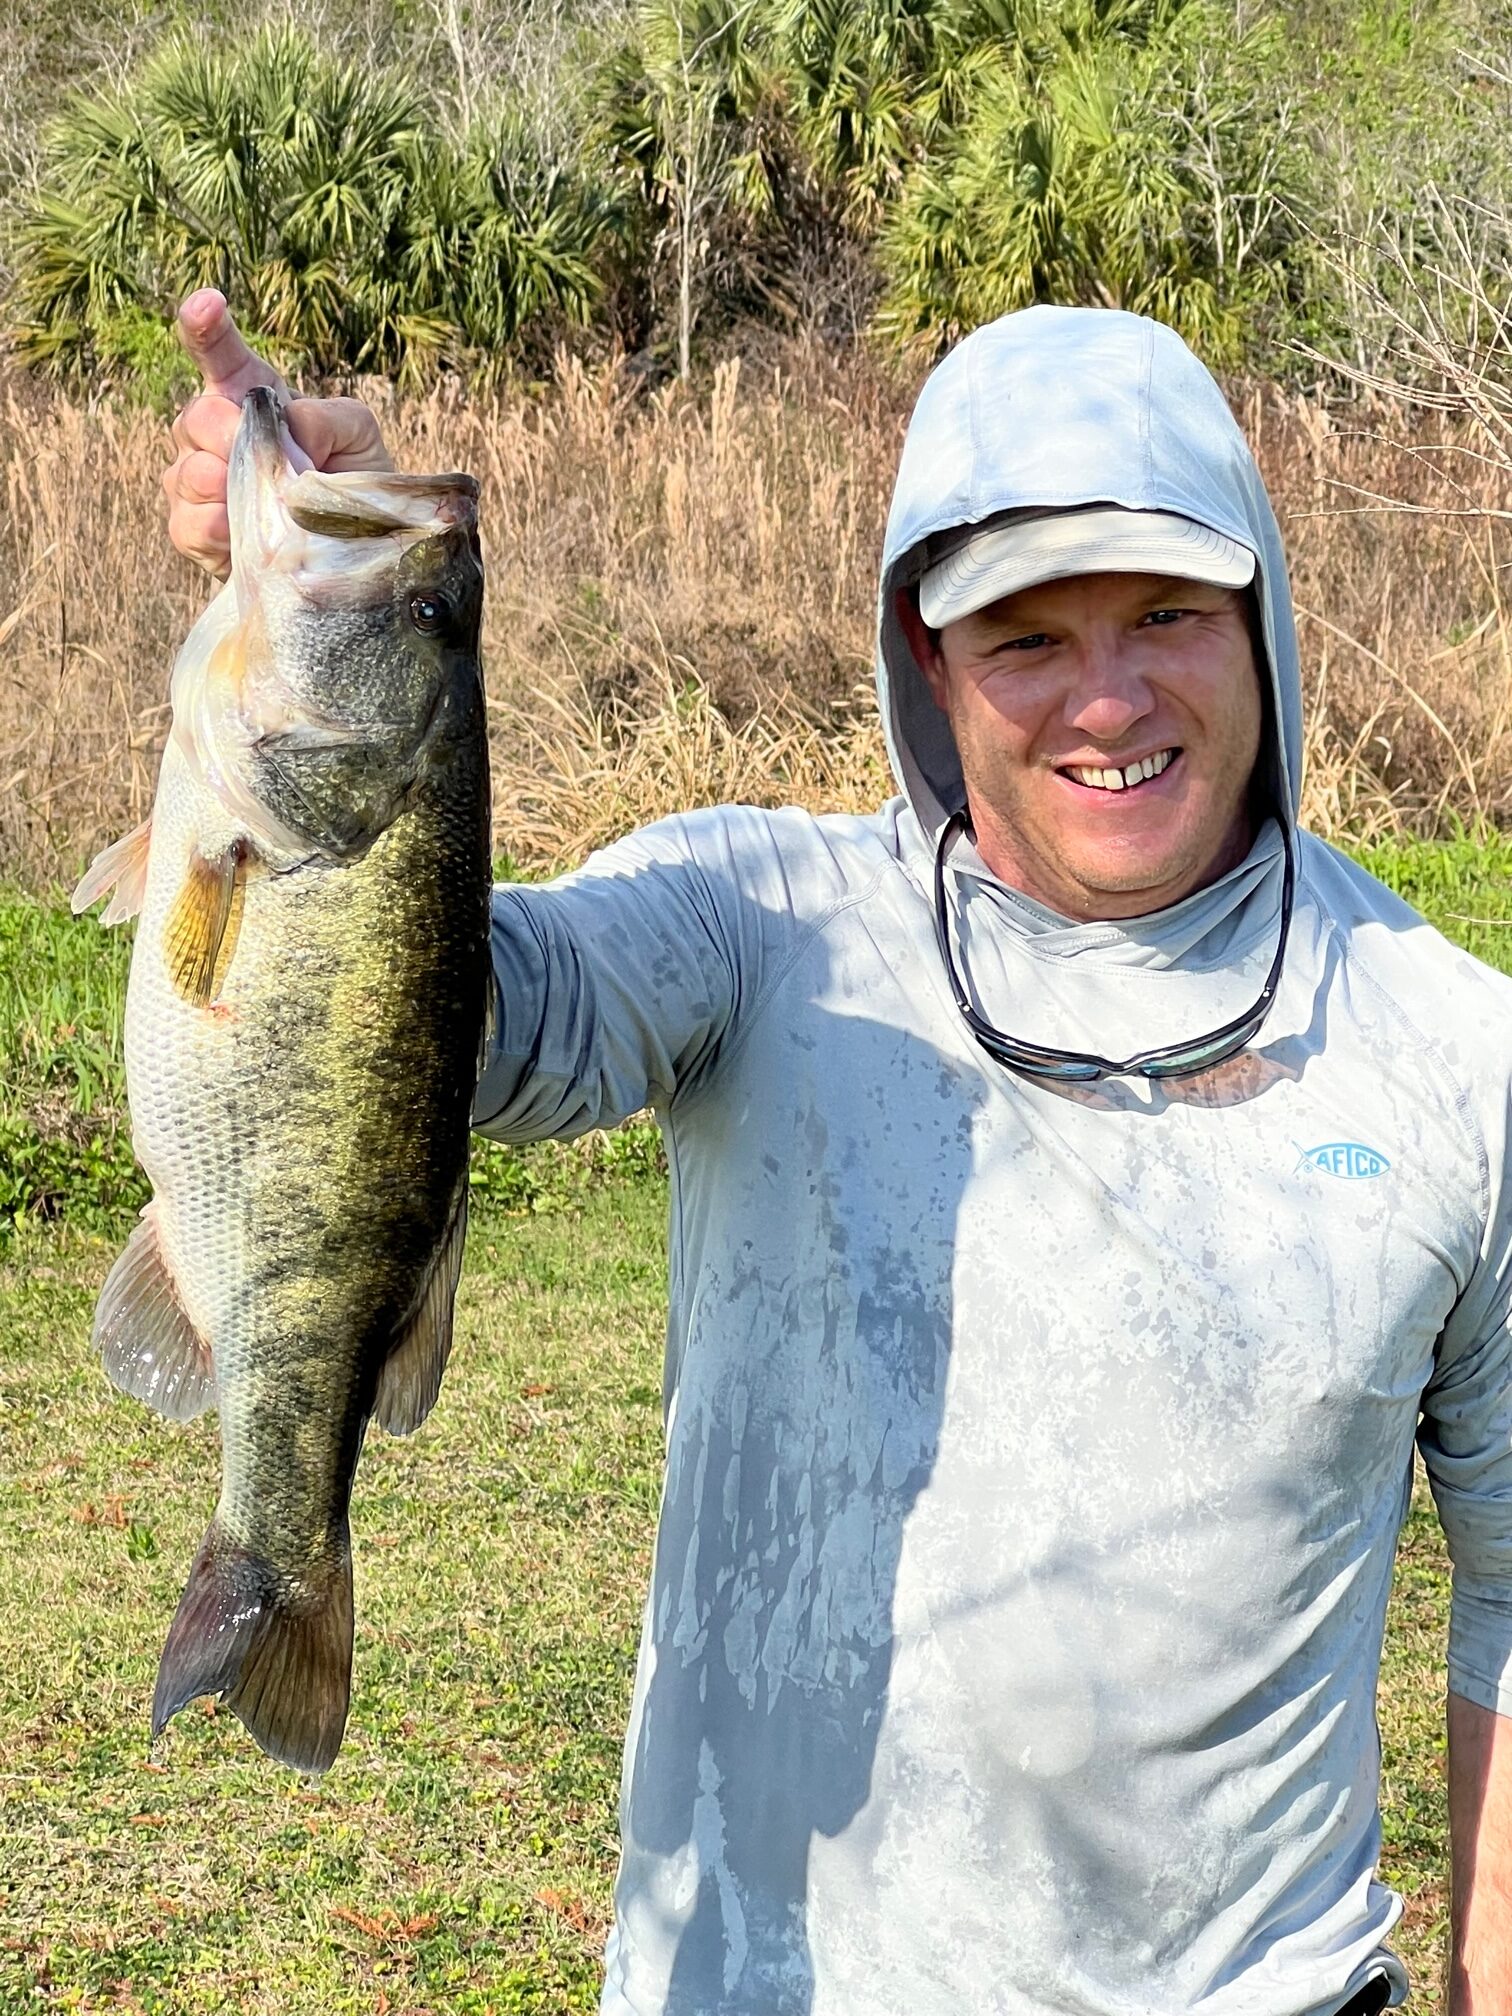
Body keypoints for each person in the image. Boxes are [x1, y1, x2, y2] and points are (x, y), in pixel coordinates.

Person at [162, 290, 1512, 2016]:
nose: (1109, 697)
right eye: (1024, 635)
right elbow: (440, 1024)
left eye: (1170, 610)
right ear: (924, 662)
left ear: (1264, 616)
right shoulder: (758, 922)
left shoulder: (1456, 1057)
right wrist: (302, 589)